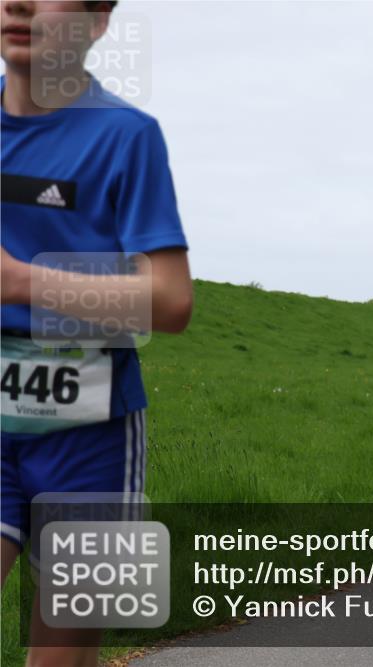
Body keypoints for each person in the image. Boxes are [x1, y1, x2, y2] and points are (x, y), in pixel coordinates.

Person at [1, 2, 192, 664]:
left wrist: (21, 282)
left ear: (97, 20)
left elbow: (170, 300)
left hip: (91, 437)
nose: (17, 3)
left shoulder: (125, 135)